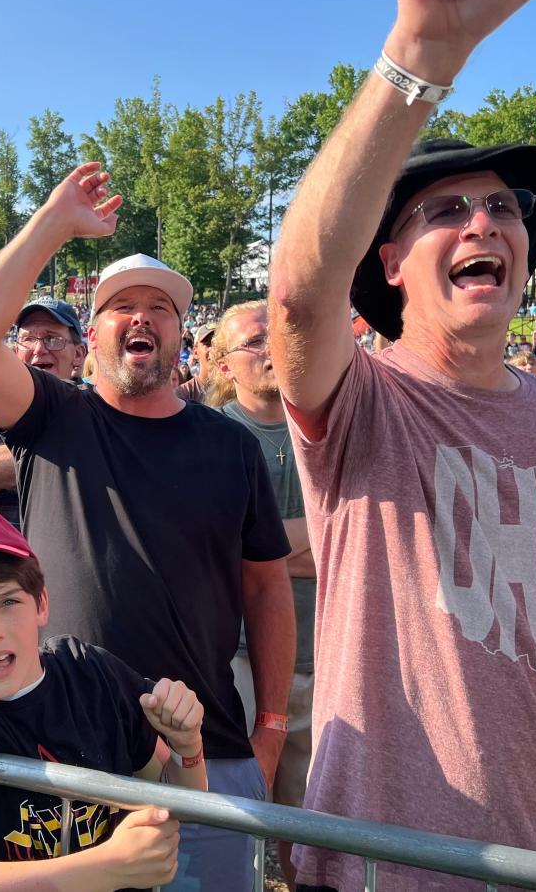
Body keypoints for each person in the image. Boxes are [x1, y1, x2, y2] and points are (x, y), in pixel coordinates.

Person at [267, 0, 536, 889]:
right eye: (447, 210)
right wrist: (420, 53)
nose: (487, 222)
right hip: (390, 860)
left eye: (505, 208)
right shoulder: (362, 402)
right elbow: (298, 297)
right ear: (389, 262)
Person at [0, 174, 293, 890]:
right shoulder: (53, 418)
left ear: (180, 335)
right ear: (91, 335)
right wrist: (52, 225)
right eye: (122, 307)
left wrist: (272, 731)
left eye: (159, 308)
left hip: (210, 750)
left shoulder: (230, 447)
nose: (141, 318)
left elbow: (266, 585)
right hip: (64, 757)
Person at [0, 513, 205, 890]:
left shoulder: (91, 674)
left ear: (41, 603)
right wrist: (109, 866)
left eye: (8, 601)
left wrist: (188, 745)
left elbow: (181, 802)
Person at [209, 300, 315, 888]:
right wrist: (308, 545)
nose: (271, 348)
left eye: (277, 336)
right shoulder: (211, 436)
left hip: (325, 647)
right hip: (240, 656)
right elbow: (217, 547)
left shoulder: (325, 427)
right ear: (224, 365)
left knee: (309, 813)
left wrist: (260, 548)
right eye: (254, 341)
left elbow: (359, 533)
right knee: (240, 802)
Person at [0, 297, 87, 523]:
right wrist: (74, 452)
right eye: (27, 339)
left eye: (52, 339)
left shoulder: (96, 401)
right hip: (6, 550)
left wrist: (5, 476)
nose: (39, 349)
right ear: (16, 351)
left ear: (78, 354)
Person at [175, 322, 214, 403]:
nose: (214, 350)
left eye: (219, 344)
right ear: (195, 353)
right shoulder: (182, 394)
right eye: (208, 344)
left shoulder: (237, 392)